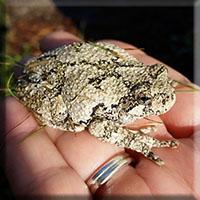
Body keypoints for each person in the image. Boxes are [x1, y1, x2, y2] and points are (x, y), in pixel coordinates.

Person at [1, 31, 200, 199]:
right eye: (146, 100)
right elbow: (99, 126)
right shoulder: (120, 103)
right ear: (135, 101)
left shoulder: (132, 67)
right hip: (55, 85)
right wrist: (137, 140)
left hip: (69, 62)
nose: (167, 99)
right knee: (67, 114)